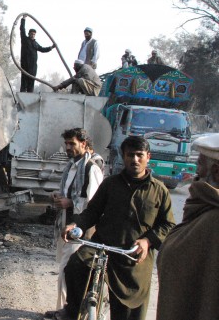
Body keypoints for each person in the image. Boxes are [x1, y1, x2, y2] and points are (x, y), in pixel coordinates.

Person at [54, 136, 175, 320]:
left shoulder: (159, 190)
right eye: (130, 155)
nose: (134, 160)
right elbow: (92, 211)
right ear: (123, 156)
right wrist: (75, 224)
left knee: (130, 308)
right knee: (75, 266)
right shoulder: (110, 184)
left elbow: (168, 224)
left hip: (133, 254)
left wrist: (147, 240)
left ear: (148, 157)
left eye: (139, 155)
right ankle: (73, 311)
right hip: (102, 246)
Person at [156, 134, 219, 320]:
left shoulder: (213, 219)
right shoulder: (204, 211)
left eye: (199, 164)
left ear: (216, 171)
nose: (195, 173)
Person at [45, 128, 103, 318]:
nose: (68, 147)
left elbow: (94, 204)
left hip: (80, 230)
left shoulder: (91, 167)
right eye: (67, 143)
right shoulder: (72, 166)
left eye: (72, 143)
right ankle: (65, 309)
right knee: (64, 270)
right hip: (66, 226)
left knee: (72, 272)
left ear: (84, 144)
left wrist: (69, 202)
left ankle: (72, 312)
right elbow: (71, 192)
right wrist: (59, 197)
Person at [19, 15, 56, 92]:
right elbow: (22, 29)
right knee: (24, 82)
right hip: (25, 65)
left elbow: (42, 49)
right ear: (29, 34)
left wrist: (51, 47)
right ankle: (22, 95)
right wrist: (23, 19)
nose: (32, 35)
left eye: (33, 34)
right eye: (31, 34)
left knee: (31, 81)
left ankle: (30, 96)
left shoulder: (35, 43)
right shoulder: (25, 40)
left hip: (33, 66)